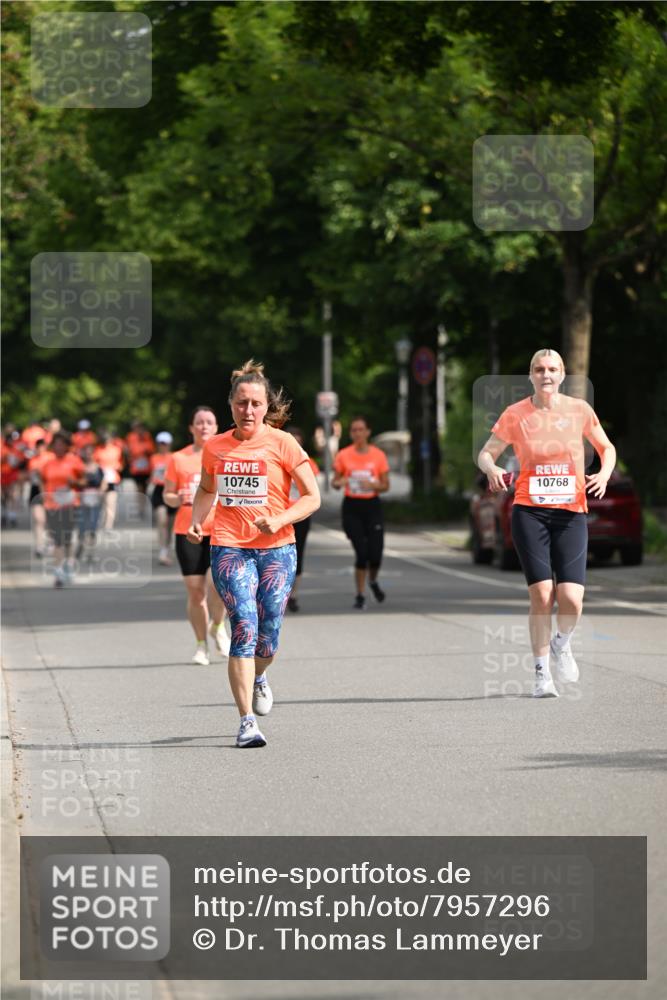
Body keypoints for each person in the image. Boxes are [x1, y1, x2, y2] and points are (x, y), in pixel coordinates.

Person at [189, 361, 321, 749]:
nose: (248, 410)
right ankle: (246, 721)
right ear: (230, 404)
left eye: (256, 403)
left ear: (267, 407)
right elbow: (206, 489)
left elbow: (313, 497)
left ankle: (260, 675)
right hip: (230, 545)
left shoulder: (284, 444)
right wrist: (198, 521)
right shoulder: (215, 447)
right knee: (243, 627)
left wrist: (279, 518)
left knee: (269, 637)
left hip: (277, 549)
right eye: (242, 402)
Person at [477, 348, 616, 698]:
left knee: (571, 598)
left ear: (563, 374)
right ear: (531, 376)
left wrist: (603, 473)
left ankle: (562, 643)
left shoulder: (579, 410)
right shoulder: (516, 414)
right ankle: (541, 674)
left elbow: (607, 447)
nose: (546, 374)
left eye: (553, 369)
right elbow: (486, 453)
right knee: (542, 593)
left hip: (570, 512)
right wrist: (492, 468)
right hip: (530, 510)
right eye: (539, 369)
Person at [164, 407, 231, 666]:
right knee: (195, 592)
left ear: (216, 428)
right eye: (199, 422)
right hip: (187, 529)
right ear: (191, 428)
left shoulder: (224, 455)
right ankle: (201, 644)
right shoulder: (178, 459)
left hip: (220, 529)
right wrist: (177, 497)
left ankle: (218, 625)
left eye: (209, 422)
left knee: (218, 584)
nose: (204, 426)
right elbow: (167, 495)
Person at [332, 416, 390, 610]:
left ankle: (372, 581)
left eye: (360, 429)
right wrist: (341, 482)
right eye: (354, 430)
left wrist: (373, 484)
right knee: (361, 552)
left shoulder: (378, 456)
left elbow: (385, 485)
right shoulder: (344, 455)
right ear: (351, 433)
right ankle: (360, 594)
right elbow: (335, 482)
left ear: (368, 432)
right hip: (352, 508)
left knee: (375, 554)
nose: (357, 433)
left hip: (372, 506)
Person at [39, 432, 85, 587]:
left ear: (66, 446)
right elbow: (43, 481)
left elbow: (84, 481)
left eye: (61, 444)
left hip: (70, 504)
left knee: (67, 537)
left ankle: (69, 565)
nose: (58, 447)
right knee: (57, 538)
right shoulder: (48, 464)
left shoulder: (75, 461)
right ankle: (58, 571)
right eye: (56, 444)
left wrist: (75, 483)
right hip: (52, 505)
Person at [284, 427, 320, 612]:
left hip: (301, 515)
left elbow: (314, 492)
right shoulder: (278, 459)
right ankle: (279, 593)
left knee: (298, 553)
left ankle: (294, 595)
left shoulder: (309, 463)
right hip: (280, 515)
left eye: (298, 442)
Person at [77, 444, 107, 562]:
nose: (88, 455)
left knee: (93, 526)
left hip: (95, 498)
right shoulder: (80, 468)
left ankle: (91, 552)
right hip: (83, 498)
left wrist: (101, 492)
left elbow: (104, 483)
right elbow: (76, 483)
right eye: (86, 453)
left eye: (90, 453)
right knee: (82, 525)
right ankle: (80, 547)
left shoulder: (99, 468)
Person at [150, 432, 175, 566]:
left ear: (169, 444)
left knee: (170, 524)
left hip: (171, 490)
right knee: (161, 521)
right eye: (160, 443)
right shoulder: (153, 458)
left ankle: (167, 546)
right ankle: (162, 551)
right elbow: (152, 474)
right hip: (159, 491)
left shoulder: (175, 457)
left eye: (165, 443)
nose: (162, 446)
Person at [94, 430, 124, 530]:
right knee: (101, 502)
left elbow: (121, 464)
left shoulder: (117, 450)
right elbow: (94, 464)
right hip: (101, 479)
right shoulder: (98, 450)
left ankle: (108, 525)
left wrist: (117, 466)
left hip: (113, 479)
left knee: (111, 502)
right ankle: (100, 521)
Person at [27, 438, 51, 556]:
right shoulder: (33, 461)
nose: (41, 449)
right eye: (39, 447)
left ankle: (50, 541)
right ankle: (39, 546)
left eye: (43, 446)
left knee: (49, 519)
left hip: (50, 490)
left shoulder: (51, 458)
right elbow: (31, 477)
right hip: (36, 490)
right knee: (38, 519)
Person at [125, 421, 155, 494]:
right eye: (135, 427)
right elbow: (128, 450)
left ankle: (143, 499)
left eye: (139, 427)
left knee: (145, 485)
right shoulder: (130, 437)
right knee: (139, 485)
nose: (137, 429)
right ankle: (141, 499)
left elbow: (151, 450)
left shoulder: (147, 436)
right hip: (136, 467)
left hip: (146, 468)